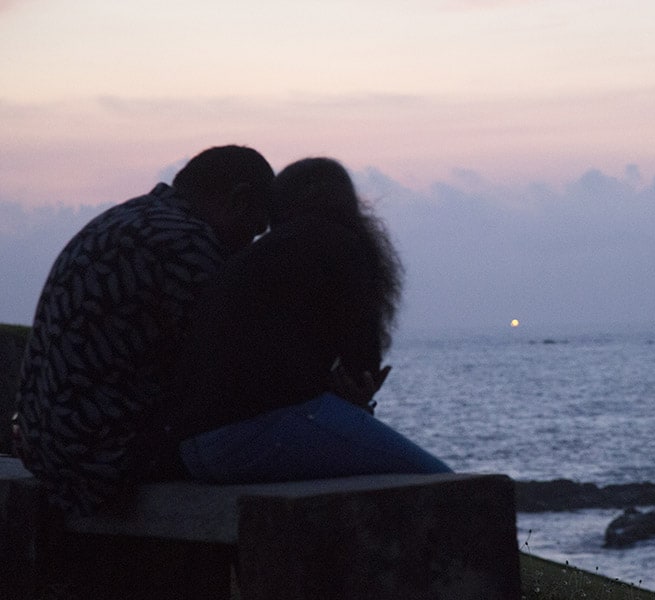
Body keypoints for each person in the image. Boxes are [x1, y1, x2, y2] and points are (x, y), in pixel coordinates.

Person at [13, 145, 275, 516]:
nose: (248, 245)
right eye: (254, 230)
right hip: (100, 462)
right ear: (239, 201)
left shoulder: (128, 219)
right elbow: (233, 370)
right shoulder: (188, 246)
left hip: (52, 448)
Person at [165, 157, 451, 483]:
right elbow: (361, 367)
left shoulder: (257, 255)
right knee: (445, 484)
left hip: (193, 447)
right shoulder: (341, 245)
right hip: (253, 435)